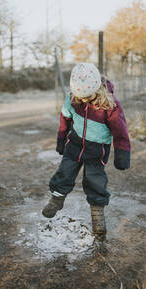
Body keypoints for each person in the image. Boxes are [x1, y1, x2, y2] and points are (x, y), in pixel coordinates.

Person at [42, 62, 131, 239]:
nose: (82, 100)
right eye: (79, 95)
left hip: (97, 152)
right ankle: (57, 199)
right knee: (64, 173)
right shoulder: (72, 99)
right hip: (74, 146)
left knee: (95, 181)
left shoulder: (110, 105)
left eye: (86, 96)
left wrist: (122, 155)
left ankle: (97, 213)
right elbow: (65, 120)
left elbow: (121, 132)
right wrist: (61, 140)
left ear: (97, 89)